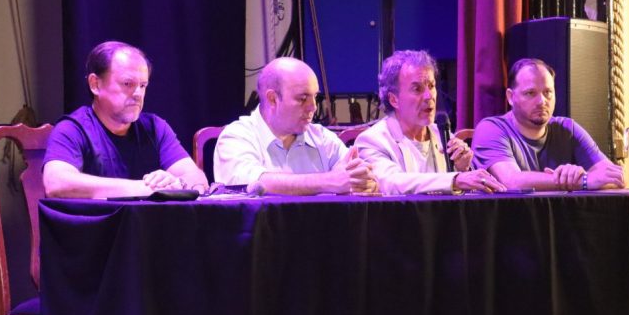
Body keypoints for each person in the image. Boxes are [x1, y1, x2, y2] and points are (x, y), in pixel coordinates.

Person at [43, 41, 208, 198]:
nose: (138, 94)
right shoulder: (72, 129)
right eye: (127, 84)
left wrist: (177, 184)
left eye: (143, 85)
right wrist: (145, 188)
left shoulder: (156, 128)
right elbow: (56, 183)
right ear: (95, 84)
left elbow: (198, 180)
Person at [214, 57, 378, 195]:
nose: (313, 107)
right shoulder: (236, 137)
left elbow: (350, 176)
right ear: (273, 99)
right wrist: (328, 181)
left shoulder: (322, 138)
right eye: (302, 99)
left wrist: (365, 182)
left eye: (315, 97)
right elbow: (254, 186)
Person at [354, 50, 505, 195]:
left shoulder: (442, 135)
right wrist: (455, 179)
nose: (429, 96)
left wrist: (463, 168)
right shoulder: (373, 140)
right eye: (417, 89)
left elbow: (460, 193)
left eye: (431, 86)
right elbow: (391, 182)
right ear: (394, 100)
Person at [472, 57, 624, 191]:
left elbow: (616, 178)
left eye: (548, 92)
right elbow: (512, 181)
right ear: (511, 97)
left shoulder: (567, 128)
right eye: (530, 93)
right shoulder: (490, 129)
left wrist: (580, 177)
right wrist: (581, 181)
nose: (542, 101)